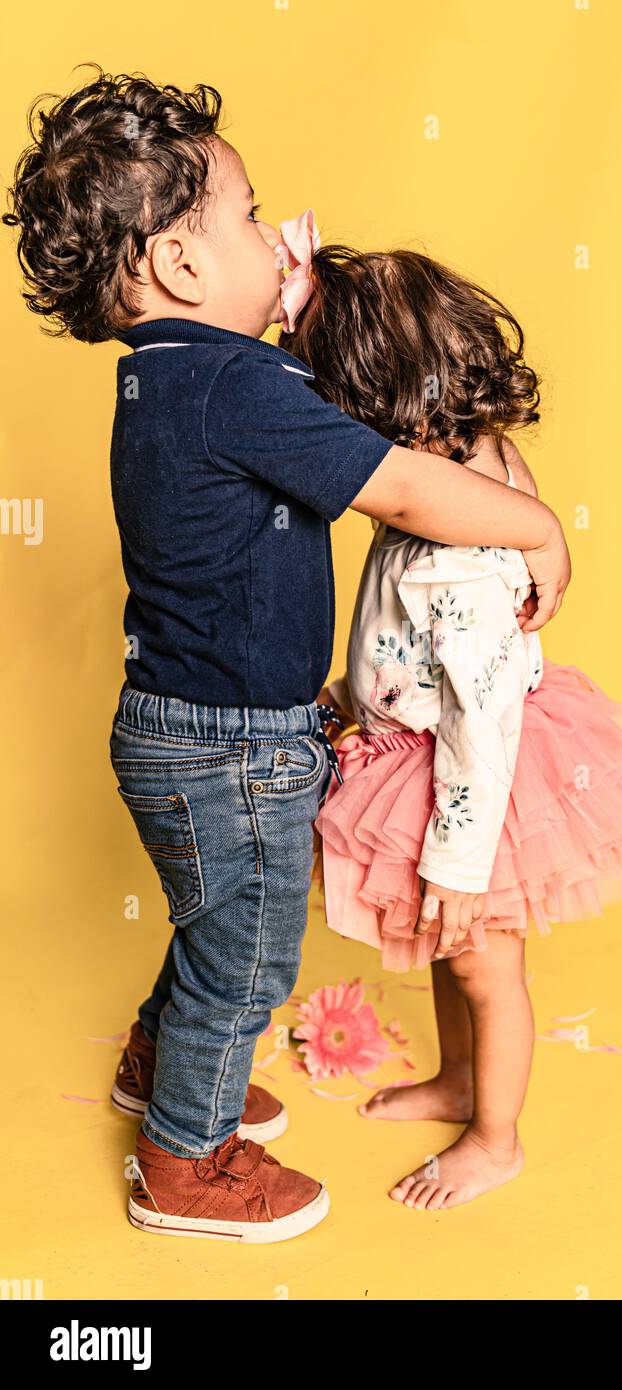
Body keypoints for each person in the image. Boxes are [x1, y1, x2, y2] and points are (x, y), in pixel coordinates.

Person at [3, 70, 570, 1242]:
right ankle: (186, 1159)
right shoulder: (238, 385)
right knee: (245, 964)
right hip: (231, 752)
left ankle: (158, 1070)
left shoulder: (170, 379)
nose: (278, 236)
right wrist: (539, 525)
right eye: (253, 217)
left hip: (184, 729)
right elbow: (405, 480)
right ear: (182, 267)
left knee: (212, 924)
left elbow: (357, 402)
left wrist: (305, 294)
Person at [280, 242, 622, 1211]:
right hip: (427, 747)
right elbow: (400, 638)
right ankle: (458, 1082)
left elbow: (482, 720)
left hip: (471, 782)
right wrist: (353, 695)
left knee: (486, 965)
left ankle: (495, 1137)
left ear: (392, 423)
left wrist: (457, 857)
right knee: (454, 952)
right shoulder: (462, 470)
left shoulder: (458, 556)